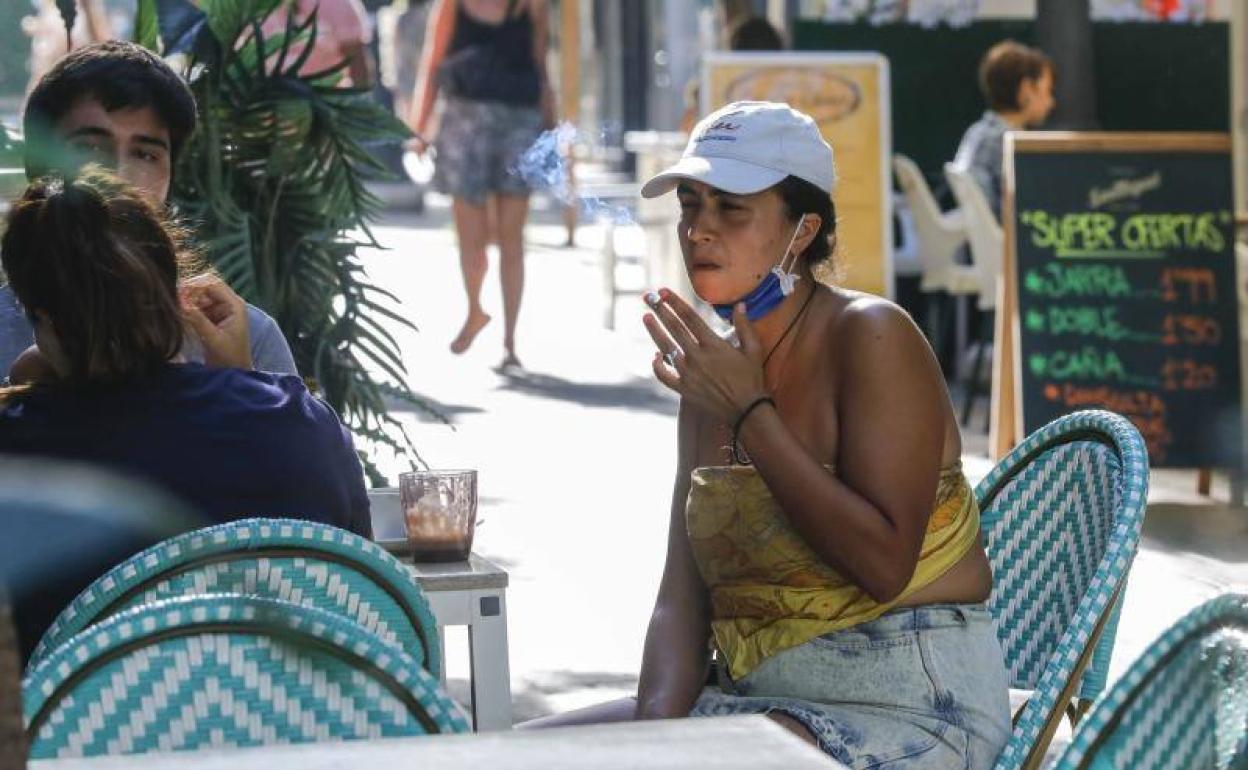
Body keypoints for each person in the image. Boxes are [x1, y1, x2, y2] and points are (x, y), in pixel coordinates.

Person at [524, 102, 1011, 769]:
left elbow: (883, 565)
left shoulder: (871, 335)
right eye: (692, 206)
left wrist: (751, 412)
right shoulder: (710, 381)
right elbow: (682, 595)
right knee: (506, 755)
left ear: (802, 230)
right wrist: (647, 738)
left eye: (731, 209)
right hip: (759, 704)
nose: (699, 230)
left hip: (912, 704)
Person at [0, 169, 372, 660]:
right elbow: (361, 590)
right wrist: (242, 382)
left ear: (40, 318)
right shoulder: (301, 423)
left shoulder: (17, 451)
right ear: (175, 295)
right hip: (302, 723)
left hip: (89, 731)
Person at [2, 40, 298, 379]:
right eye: (89, 147)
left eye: (145, 155)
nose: (118, 174)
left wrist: (238, 384)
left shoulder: (241, 339)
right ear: (37, 165)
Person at [408, 0, 555, 369]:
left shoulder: (531, 6)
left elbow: (541, 68)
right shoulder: (452, 5)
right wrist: (419, 129)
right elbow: (433, 63)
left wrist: (552, 129)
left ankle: (510, 340)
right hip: (464, 123)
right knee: (472, 240)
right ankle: (475, 310)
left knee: (512, 241)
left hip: (518, 125)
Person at [953, 40, 1055, 220]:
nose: (1051, 102)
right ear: (1026, 89)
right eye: (1047, 91)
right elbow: (1026, 213)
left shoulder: (978, 133)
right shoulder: (1010, 145)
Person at [260, 0, 374, 87]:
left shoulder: (337, 4)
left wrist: (360, 111)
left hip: (329, 108)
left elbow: (357, 62)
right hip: (270, 111)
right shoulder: (252, 7)